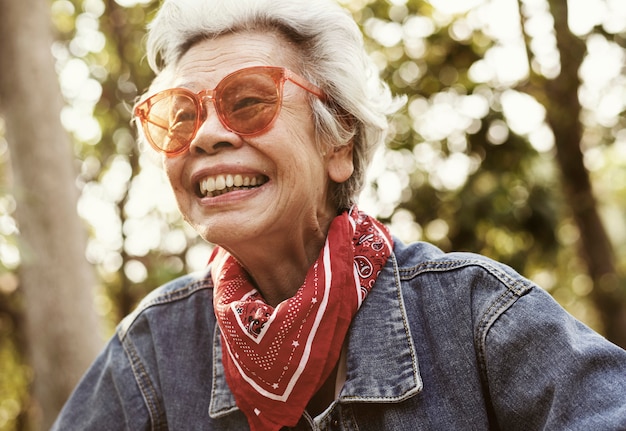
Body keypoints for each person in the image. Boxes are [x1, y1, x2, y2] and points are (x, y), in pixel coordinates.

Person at [52, 0, 626, 429]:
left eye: (249, 101)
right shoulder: (154, 346)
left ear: (338, 143)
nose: (204, 135)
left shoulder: (476, 312)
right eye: (179, 116)